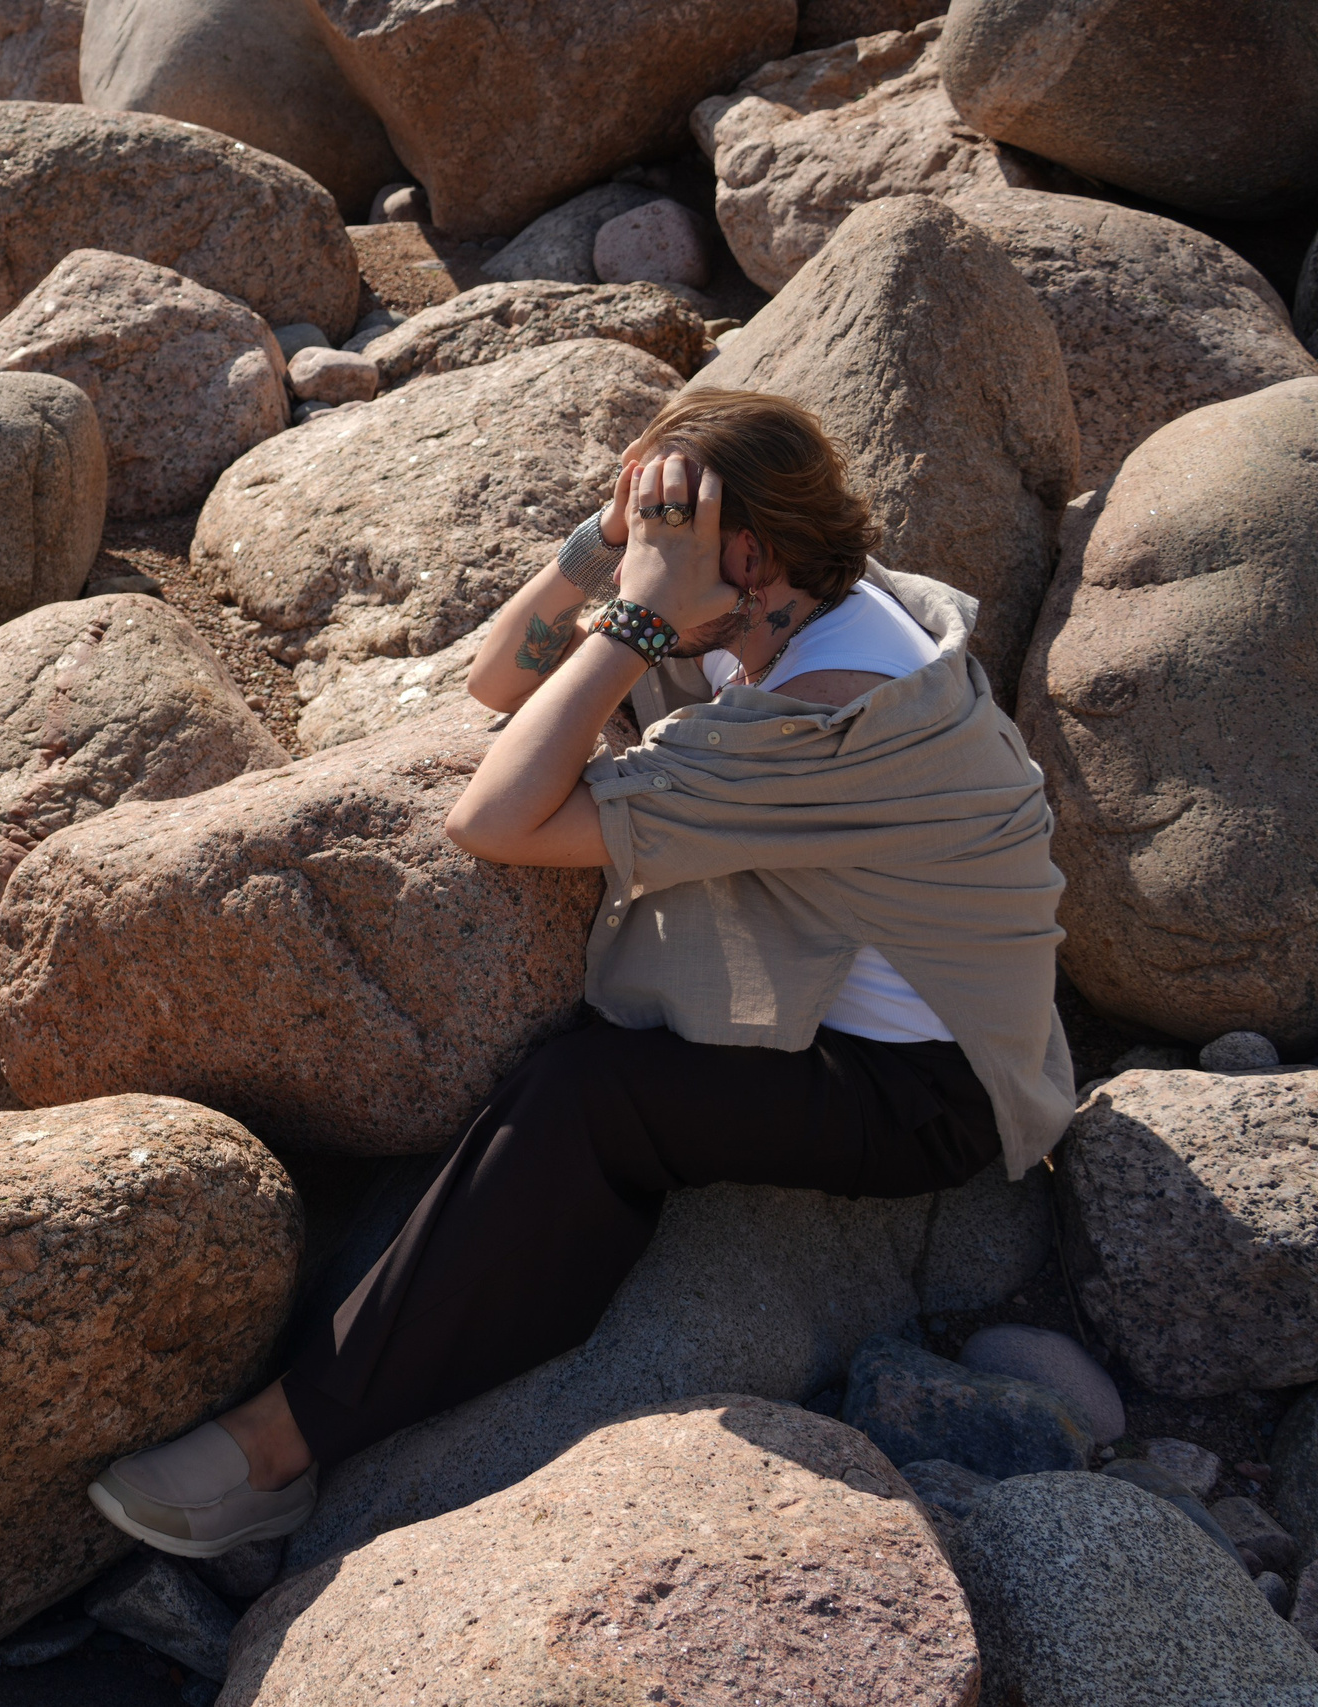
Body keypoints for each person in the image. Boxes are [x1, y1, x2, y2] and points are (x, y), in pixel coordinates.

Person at [86, 389, 1074, 1556]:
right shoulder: (785, 611)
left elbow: (491, 819)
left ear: (743, 553)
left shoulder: (831, 709)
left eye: (667, 523)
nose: (642, 546)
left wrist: (640, 615)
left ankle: (281, 1451)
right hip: (862, 995)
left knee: (587, 1098)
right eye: (639, 518)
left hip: (925, 1092)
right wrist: (601, 553)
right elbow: (500, 685)